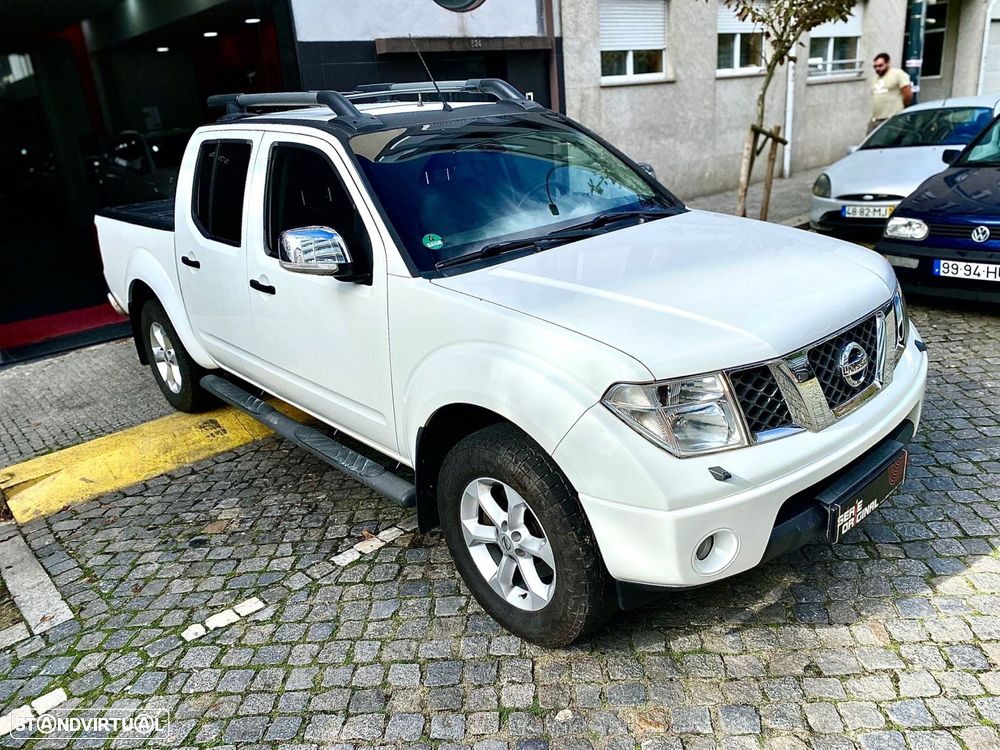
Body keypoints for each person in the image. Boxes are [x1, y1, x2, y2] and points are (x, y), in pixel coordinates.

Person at [870, 52, 913, 132]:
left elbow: (908, 94)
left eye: (880, 66)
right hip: (876, 119)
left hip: (892, 118)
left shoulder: (897, 74)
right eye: (875, 66)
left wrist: (901, 110)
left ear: (887, 63)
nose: (877, 69)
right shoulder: (875, 78)